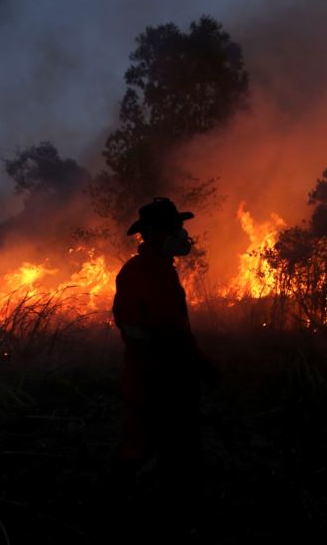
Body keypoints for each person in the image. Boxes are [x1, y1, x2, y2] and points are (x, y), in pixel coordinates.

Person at [111, 197, 219, 493]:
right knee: (161, 439)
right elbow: (169, 333)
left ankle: (155, 493)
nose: (182, 235)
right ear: (157, 234)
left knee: (153, 438)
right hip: (158, 377)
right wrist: (205, 367)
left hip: (154, 373)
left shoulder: (153, 269)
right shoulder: (148, 274)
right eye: (176, 228)